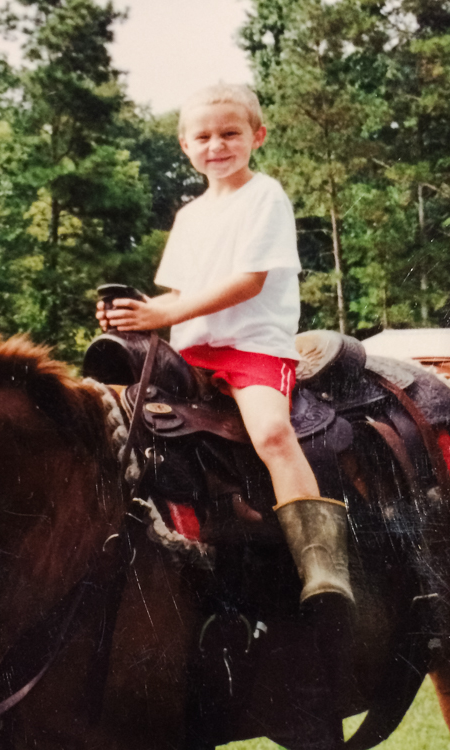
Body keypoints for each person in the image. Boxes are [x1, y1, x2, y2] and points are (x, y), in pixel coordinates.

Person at [97, 83, 353, 608]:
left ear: (257, 136)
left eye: (230, 133)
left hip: (251, 346)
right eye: (204, 136)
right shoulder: (189, 215)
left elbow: (248, 281)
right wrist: (134, 313)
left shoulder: (265, 195)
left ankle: (321, 561)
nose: (217, 145)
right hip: (191, 350)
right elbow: (179, 293)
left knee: (273, 432)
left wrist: (164, 312)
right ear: (185, 146)